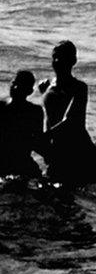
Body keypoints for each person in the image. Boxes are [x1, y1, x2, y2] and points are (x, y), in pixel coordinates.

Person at [39, 40, 96, 186]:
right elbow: (45, 116)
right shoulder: (46, 86)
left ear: (73, 61)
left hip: (79, 151)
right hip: (57, 150)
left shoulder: (79, 88)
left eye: (62, 57)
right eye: (55, 57)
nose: (57, 61)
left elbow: (71, 121)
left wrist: (45, 137)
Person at [0, 70, 45, 178]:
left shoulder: (35, 112)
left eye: (21, 85)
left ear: (30, 91)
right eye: (14, 83)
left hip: (22, 161)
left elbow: (38, 140)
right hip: (2, 160)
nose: (16, 87)